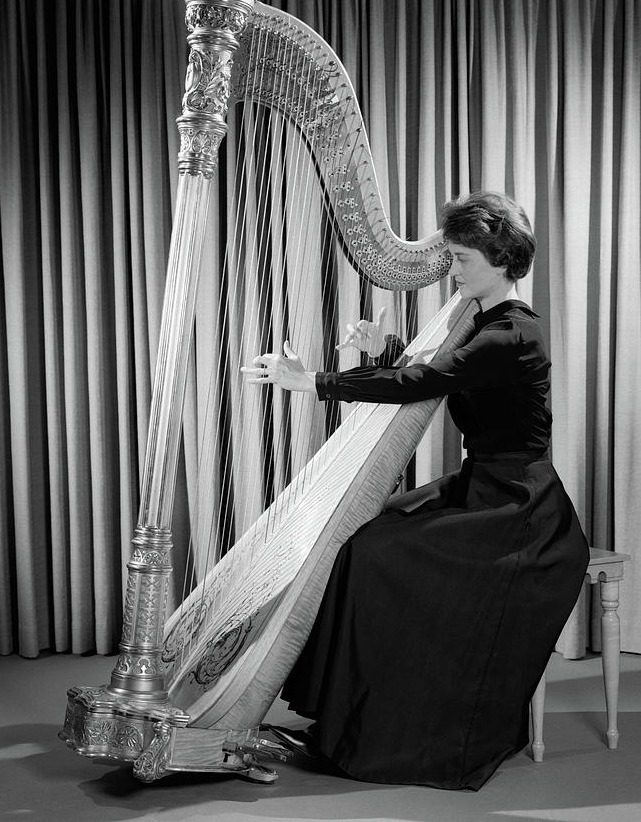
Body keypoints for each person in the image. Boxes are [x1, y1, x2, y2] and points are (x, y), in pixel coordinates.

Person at [241, 191, 590, 790]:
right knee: (361, 540)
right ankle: (346, 720)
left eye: (460, 259)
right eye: (451, 258)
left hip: (520, 510)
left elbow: (427, 379)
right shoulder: (483, 323)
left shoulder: (513, 334)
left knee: (378, 556)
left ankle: (378, 729)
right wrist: (381, 348)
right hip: (480, 487)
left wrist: (315, 381)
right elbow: (433, 370)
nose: (451, 271)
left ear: (502, 260)